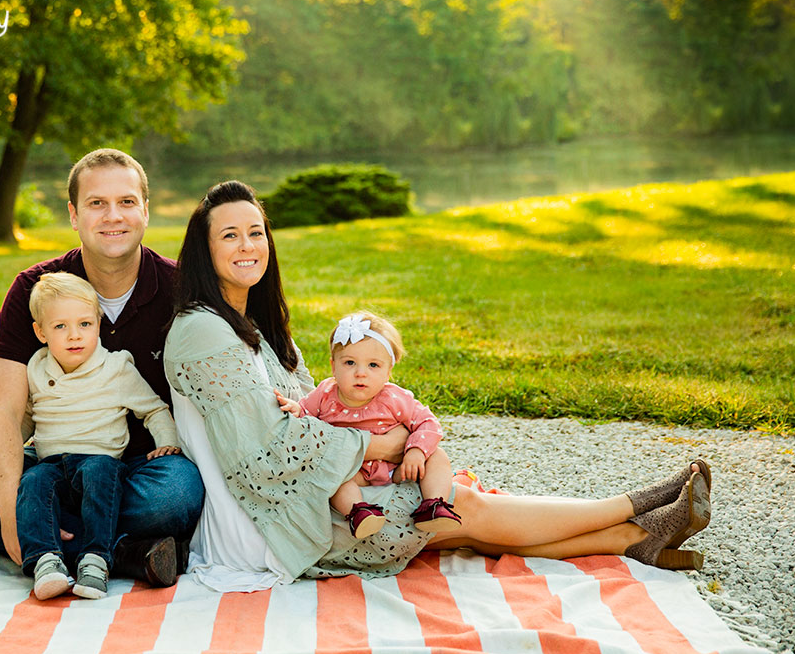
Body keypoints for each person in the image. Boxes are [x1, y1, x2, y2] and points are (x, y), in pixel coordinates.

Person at [162, 180, 711, 592]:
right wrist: (383, 446)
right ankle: (636, 505)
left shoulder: (256, 325)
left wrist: (387, 440)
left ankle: (637, 539)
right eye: (229, 235)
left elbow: (313, 414)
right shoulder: (201, 331)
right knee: (462, 505)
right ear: (204, 250)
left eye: (255, 232)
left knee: (457, 524)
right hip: (266, 525)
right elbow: (265, 453)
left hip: (316, 491)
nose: (247, 244)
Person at [0, 149, 204, 587]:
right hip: (52, 462)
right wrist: (7, 501)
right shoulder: (35, 289)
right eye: (96, 203)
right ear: (73, 214)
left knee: (178, 493)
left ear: (145, 210)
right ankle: (126, 553)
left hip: (134, 468)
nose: (114, 216)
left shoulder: (183, 289)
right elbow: (7, 410)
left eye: (127, 202)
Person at [19, 272, 181, 600]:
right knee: (31, 481)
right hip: (51, 464)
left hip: (101, 463)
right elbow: (25, 417)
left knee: (159, 489)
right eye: (60, 327)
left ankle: (95, 560)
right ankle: (45, 561)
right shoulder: (36, 368)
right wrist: (1, 441)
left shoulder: (116, 368)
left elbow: (154, 409)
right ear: (40, 332)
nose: (74, 336)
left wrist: (167, 441)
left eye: (84, 324)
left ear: (98, 322)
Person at [276, 311, 460, 539]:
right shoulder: (325, 394)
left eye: (373, 365)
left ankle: (434, 505)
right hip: (354, 471)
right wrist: (296, 409)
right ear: (334, 366)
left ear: (388, 371)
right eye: (350, 362)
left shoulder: (394, 398)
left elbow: (428, 423)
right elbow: (305, 412)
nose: (360, 373)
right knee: (334, 479)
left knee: (437, 456)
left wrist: (415, 451)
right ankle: (359, 512)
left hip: (395, 469)